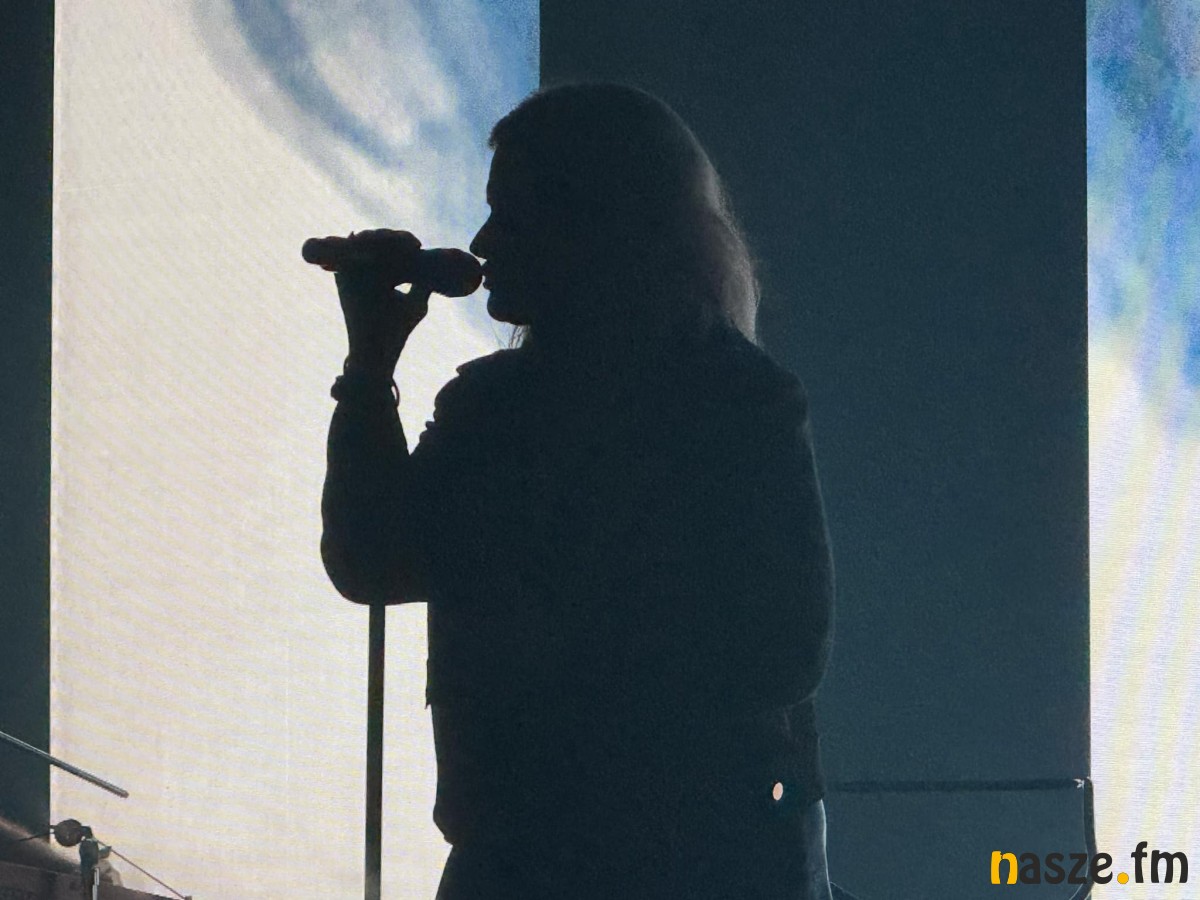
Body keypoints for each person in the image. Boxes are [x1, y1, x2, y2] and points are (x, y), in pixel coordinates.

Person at [321, 83, 835, 899]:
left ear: (592, 224)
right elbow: (373, 560)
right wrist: (369, 366)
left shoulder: (726, 405)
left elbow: (784, 648)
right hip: (593, 855)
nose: (483, 242)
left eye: (511, 215)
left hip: (633, 861)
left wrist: (369, 375)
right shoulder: (731, 398)